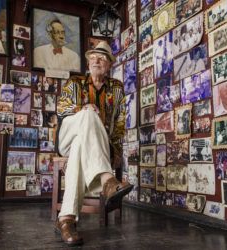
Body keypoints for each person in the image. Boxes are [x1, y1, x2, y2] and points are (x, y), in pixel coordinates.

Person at [55, 41, 133, 246]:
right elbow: (62, 109)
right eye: (93, 57)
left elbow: (119, 122)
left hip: (94, 144)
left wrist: (115, 149)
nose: (97, 60)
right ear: (88, 62)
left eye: (102, 58)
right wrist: (83, 108)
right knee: (88, 114)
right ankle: (107, 180)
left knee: (82, 146)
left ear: (109, 65)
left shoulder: (117, 88)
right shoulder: (75, 82)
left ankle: (66, 219)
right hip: (68, 136)